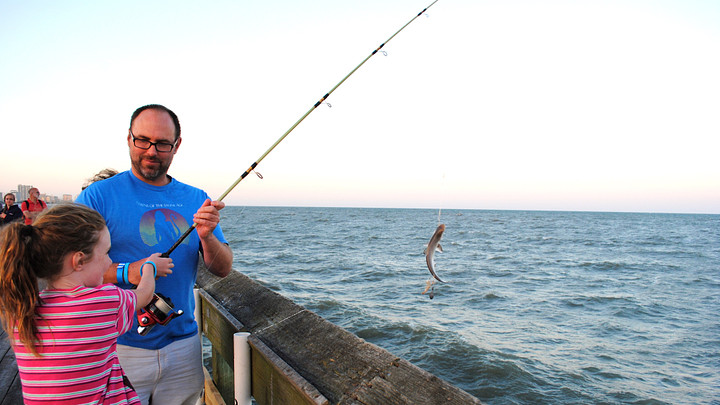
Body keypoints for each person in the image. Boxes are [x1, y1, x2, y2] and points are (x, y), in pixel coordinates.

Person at [76, 104, 233, 405]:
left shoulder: (196, 199)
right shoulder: (97, 197)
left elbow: (223, 268)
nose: (151, 151)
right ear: (128, 138)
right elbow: (66, 269)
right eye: (142, 140)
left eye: (162, 144)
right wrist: (129, 272)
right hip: (116, 347)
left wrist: (207, 236)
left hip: (184, 346)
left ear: (177, 146)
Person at [0, 204, 164, 404]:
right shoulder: (103, 301)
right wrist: (149, 267)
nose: (109, 261)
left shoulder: (22, 310)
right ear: (78, 261)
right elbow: (144, 294)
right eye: (105, 253)